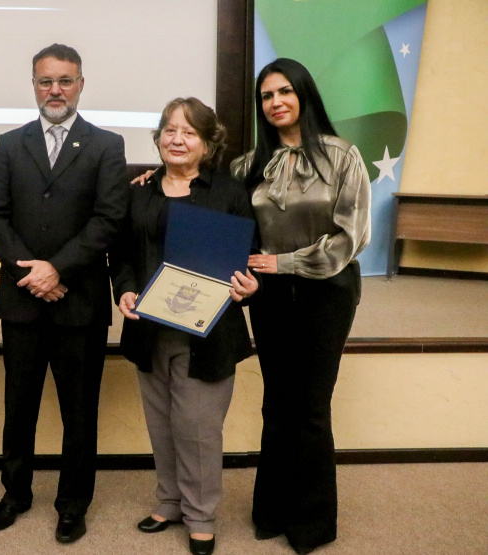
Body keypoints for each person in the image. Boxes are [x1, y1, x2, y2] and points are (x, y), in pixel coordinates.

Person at [0, 43, 129, 543]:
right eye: (46, 81)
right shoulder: (9, 142)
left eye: (65, 80)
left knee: (79, 410)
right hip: (22, 299)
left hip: (79, 302)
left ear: (81, 83)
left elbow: (108, 220)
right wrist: (33, 273)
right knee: (18, 404)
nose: (55, 90)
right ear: (34, 85)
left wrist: (57, 269)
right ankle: (15, 494)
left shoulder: (107, 145)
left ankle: (72, 503)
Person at [230, 58, 371, 554]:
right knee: (276, 403)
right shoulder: (248, 166)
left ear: (304, 95)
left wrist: (284, 262)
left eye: (284, 92)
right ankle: (271, 511)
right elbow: (208, 199)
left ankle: (311, 524)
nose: (275, 102)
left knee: (310, 407)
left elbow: (352, 237)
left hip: (326, 294)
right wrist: (154, 178)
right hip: (269, 298)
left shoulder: (342, 156)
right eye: (266, 96)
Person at [112, 98, 257, 555]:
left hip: (208, 334)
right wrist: (125, 290)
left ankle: (200, 515)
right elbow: (123, 256)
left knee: (197, 428)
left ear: (207, 143)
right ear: (157, 138)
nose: (177, 139)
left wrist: (247, 286)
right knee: (161, 424)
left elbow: (248, 259)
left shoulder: (230, 194)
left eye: (189, 132)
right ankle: (169, 501)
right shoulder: (138, 191)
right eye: (169, 130)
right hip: (149, 330)